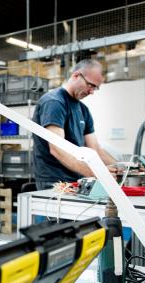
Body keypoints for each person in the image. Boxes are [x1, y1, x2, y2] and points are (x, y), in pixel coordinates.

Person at [32, 59, 117, 190]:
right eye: (91, 85)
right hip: (55, 182)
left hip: (76, 179)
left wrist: (125, 168)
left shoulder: (83, 110)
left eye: (95, 88)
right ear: (76, 75)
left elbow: (96, 149)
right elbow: (56, 149)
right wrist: (97, 173)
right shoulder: (54, 102)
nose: (92, 91)